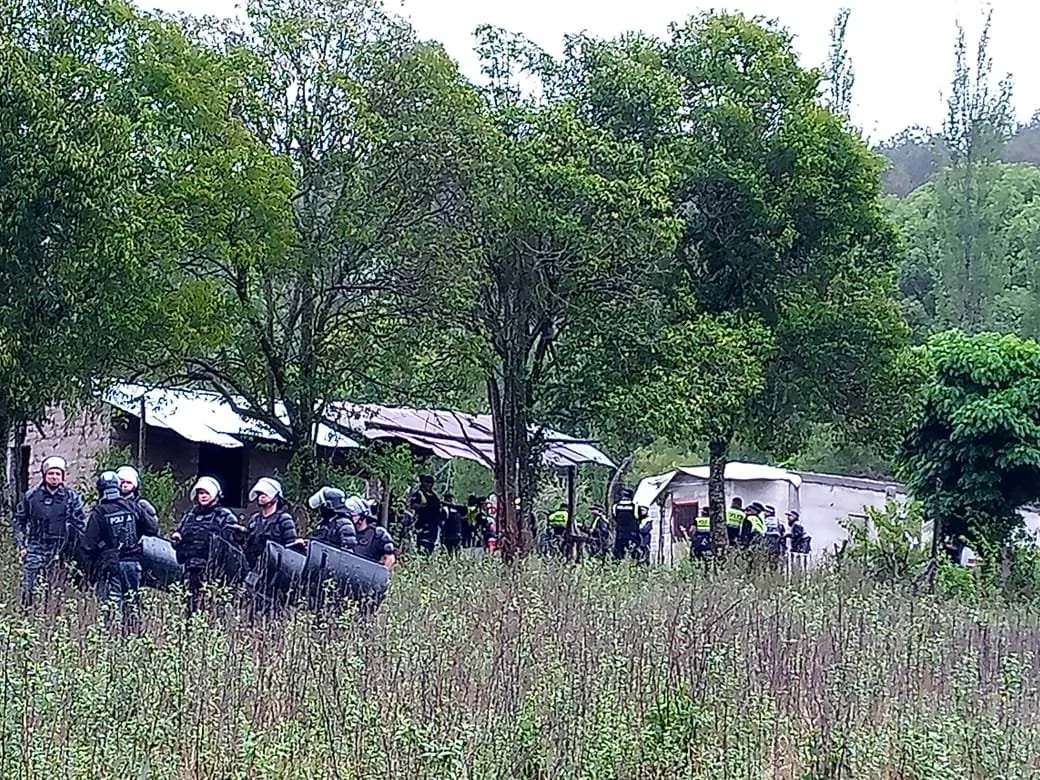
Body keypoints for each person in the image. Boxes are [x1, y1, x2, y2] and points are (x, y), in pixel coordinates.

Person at [80, 471, 158, 629]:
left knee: (111, 608)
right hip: (133, 565)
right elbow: (152, 529)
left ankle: (111, 642)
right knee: (132, 605)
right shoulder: (133, 506)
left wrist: (87, 574)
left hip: (110, 566)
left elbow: (88, 545)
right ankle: (132, 639)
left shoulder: (99, 512)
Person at [13, 456, 86, 607]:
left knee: (54, 592)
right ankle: (26, 619)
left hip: (60, 550)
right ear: (45, 475)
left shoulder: (71, 497)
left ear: (63, 476)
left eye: (58, 474)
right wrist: (22, 546)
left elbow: (80, 524)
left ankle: (50, 621)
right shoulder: (31, 496)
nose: (54, 477)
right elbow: (19, 521)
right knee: (29, 589)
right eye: (51, 473)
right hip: (36, 547)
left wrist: (74, 550)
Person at [170, 477, 240, 615]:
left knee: (212, 610)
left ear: (215, 495)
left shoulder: (225, 516)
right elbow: (180, 542)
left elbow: (233, 548)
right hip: (191, 571)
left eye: (206, 493)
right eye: (200, 493)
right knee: (190, 609)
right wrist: (177, 540)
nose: (202, 496)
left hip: (214, 573)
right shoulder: (189, 517)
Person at [242, 477, 301, 570]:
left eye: (265, 493)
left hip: (274, 570)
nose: (262, 496)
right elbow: (247, 547)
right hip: (252, 569)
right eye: (259, 493)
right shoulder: (254, 519)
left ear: (277, 496)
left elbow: (291, 552)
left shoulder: (284, 520)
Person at [305, 487, 359, 552]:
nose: (320, 510)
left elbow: (347, 553)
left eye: (322, 506)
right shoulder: (326, 523)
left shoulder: (344, 524)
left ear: (328, 506)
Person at [115, 465, 161, 533]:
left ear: (134, 485)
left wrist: (139, 511)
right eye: (122, 482)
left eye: (129, 482)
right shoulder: (109, 504)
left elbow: (154, 528)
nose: (125, 485)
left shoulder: (141, 504)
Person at [352, 504, 397, 570]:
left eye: (355, 514)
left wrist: (380, 575)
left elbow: (390, 558)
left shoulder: (377, 535)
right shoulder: (347, 532)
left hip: (367, 575)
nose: (352, 516)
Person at [408, 475, 441, 554]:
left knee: (430, 547)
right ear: (422, 483)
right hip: (422, 525)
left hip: (433, 526)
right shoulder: (418, 494)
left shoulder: (434, 495)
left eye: (430, 483)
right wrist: (425, 506)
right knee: (422, 545)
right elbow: (412, 505)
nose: (428, 485)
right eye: (426, 482)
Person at [612, 488, 643, 561]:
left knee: (619, 554)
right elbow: (638, 518)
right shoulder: (635, 507)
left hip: (620, 534)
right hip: (632, 534)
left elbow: (614, 517)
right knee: (633, 554)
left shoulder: (615, 506)